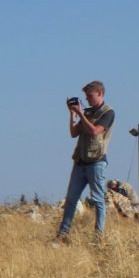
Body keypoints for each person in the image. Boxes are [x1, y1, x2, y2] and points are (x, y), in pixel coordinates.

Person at [54, 81, 115, 243]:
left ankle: (98, 236)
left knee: (98, 199)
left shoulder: (108, 113)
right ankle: (62, 234)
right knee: (71, 199)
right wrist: (72, 115)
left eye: (90, 95)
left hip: (96, 162)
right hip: (80, 161)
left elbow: (96, 131)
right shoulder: (87, 112)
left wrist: (81, 114)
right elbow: (74, 133)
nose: (87, 99)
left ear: (100, 93)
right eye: (86, 96)